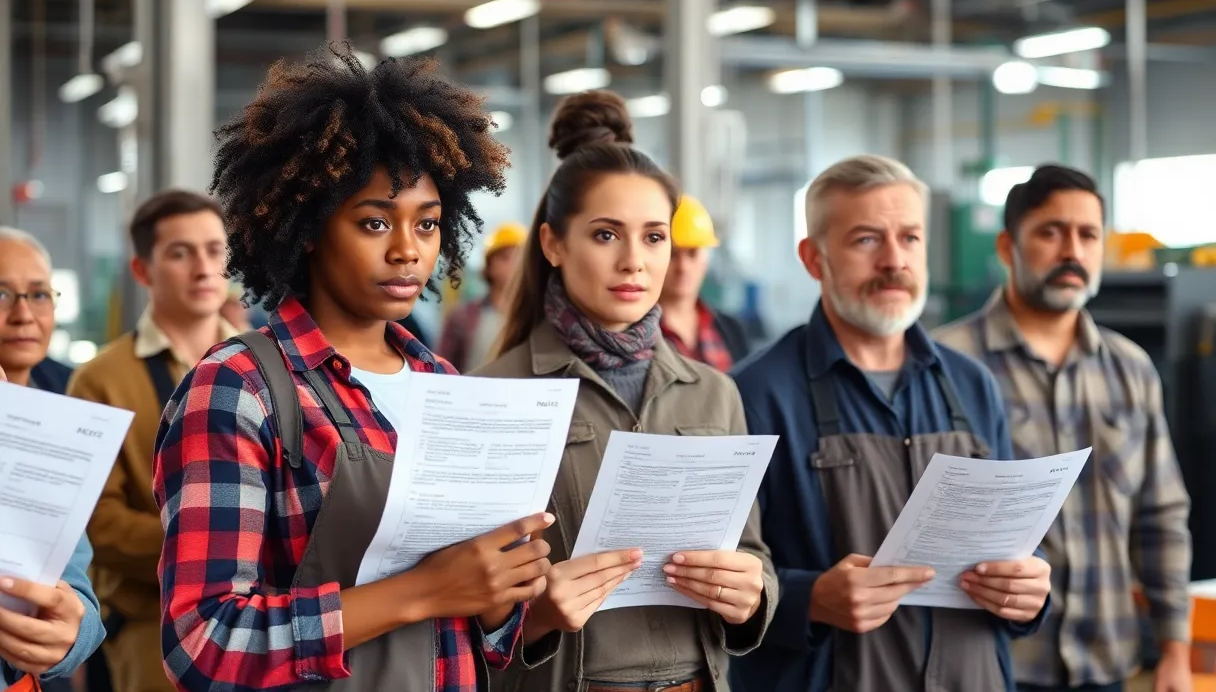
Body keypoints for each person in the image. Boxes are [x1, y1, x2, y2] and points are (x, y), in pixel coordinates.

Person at [152, 47, 552, 692]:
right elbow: (204, 644)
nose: (407, 250)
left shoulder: (444, 385)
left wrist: (505, 590)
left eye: (427, 225)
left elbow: (482, 630)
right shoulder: (238, 390)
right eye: (373, 222)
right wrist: (420, 592)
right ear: (308, 227)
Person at [477, 90, 777, 692]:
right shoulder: (495, 396)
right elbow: (460, 601)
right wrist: (535, 616)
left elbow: (752, 552)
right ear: (554, 245)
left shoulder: (715, 393)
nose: (634, 262)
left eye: (654, 237)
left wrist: (752, 592)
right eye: (607, 235)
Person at [730, 154, 1052, 692]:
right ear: (814, 259)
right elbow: (717, 575)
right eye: (866, 240)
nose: (894, 261)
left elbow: (1014, 540)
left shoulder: (973, 385)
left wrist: (1028, 588)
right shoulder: (753, 395)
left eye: (910, 238)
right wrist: (807, 600)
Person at [933, 165, 1192, 692]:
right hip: (992, 663)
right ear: (1008, 247)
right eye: (1051, 232)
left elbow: (1160, 516)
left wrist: (1174, 650)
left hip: (1110, 659)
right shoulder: (944, 365)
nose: (1071, 250)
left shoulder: (1131, 368)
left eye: (1088, 234)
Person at [66, 189, 239, 692]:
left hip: (260, 621)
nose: (204, 268)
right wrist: (212, 550)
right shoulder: (101, 379)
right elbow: (96, 519)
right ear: (142, 271)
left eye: (214, 249)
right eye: (180, 253)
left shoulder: (267, 365)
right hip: (151, 626)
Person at [0, 227, 106, 692]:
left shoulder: (67, 411)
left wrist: (73, 632)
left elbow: (74, 577)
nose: (22, 314)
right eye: (1, 294)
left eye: (39, 294)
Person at [658, 194, 751, 371]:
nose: (683, 267)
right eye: (672, 255)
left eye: (692, 253)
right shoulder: (635, 335)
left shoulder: (731, 329)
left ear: (706, 259)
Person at [439, 222, 527, 371]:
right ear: (490, 266)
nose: (515, 264)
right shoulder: (462, 317)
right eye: (506, 258)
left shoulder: (538, 316)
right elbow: (442, 366)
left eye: (521, 257)